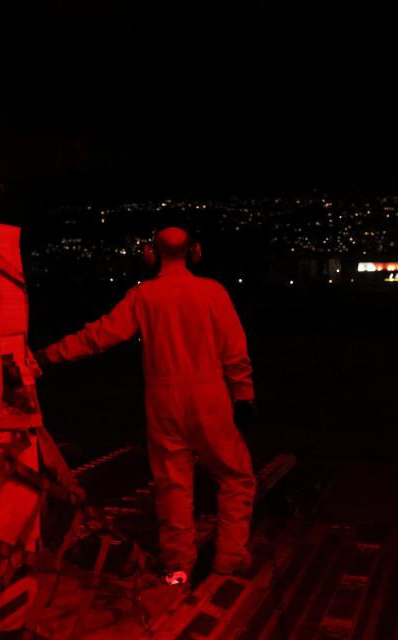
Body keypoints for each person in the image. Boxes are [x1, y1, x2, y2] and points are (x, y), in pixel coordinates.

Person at [35, 227, 256, 585]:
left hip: (163, 398)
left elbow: (99, 336)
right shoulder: (213, 292)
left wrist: (48, 354)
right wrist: (244, 396)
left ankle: (179, 565)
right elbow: (235, 350)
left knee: (173, 483)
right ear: (195, 252)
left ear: (150, 254)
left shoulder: (144, 296)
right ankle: (229, 557)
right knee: (235, 476)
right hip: (210, 395)